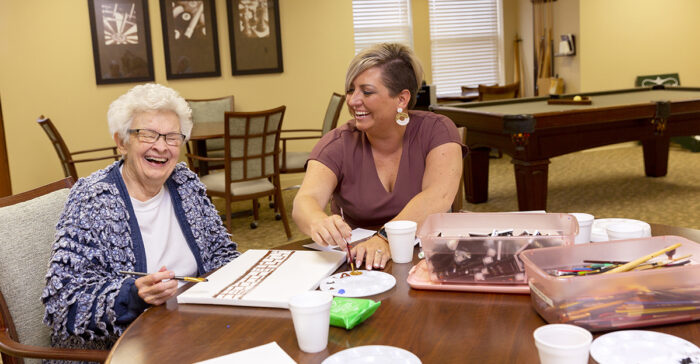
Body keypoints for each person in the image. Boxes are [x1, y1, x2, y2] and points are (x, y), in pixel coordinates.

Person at [42, 84, 240, 353]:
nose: (161, 147)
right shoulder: (92, 200)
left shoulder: (186, 184)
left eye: (172, 137)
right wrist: (133, 295)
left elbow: (222, 254)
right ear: (122, 142)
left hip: (192, 329)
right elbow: (64, 304)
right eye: (147, 135)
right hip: (120, 351)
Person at [292, 43, 466, 270]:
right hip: (362, 263)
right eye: (351, 90)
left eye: (367, 91)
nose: (353, 101)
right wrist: (318, 221)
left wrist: (385, 238)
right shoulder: (337, 144)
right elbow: (305, 201)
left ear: (401, 99)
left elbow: (437, 196)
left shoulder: (437, 131)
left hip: (426, 258)